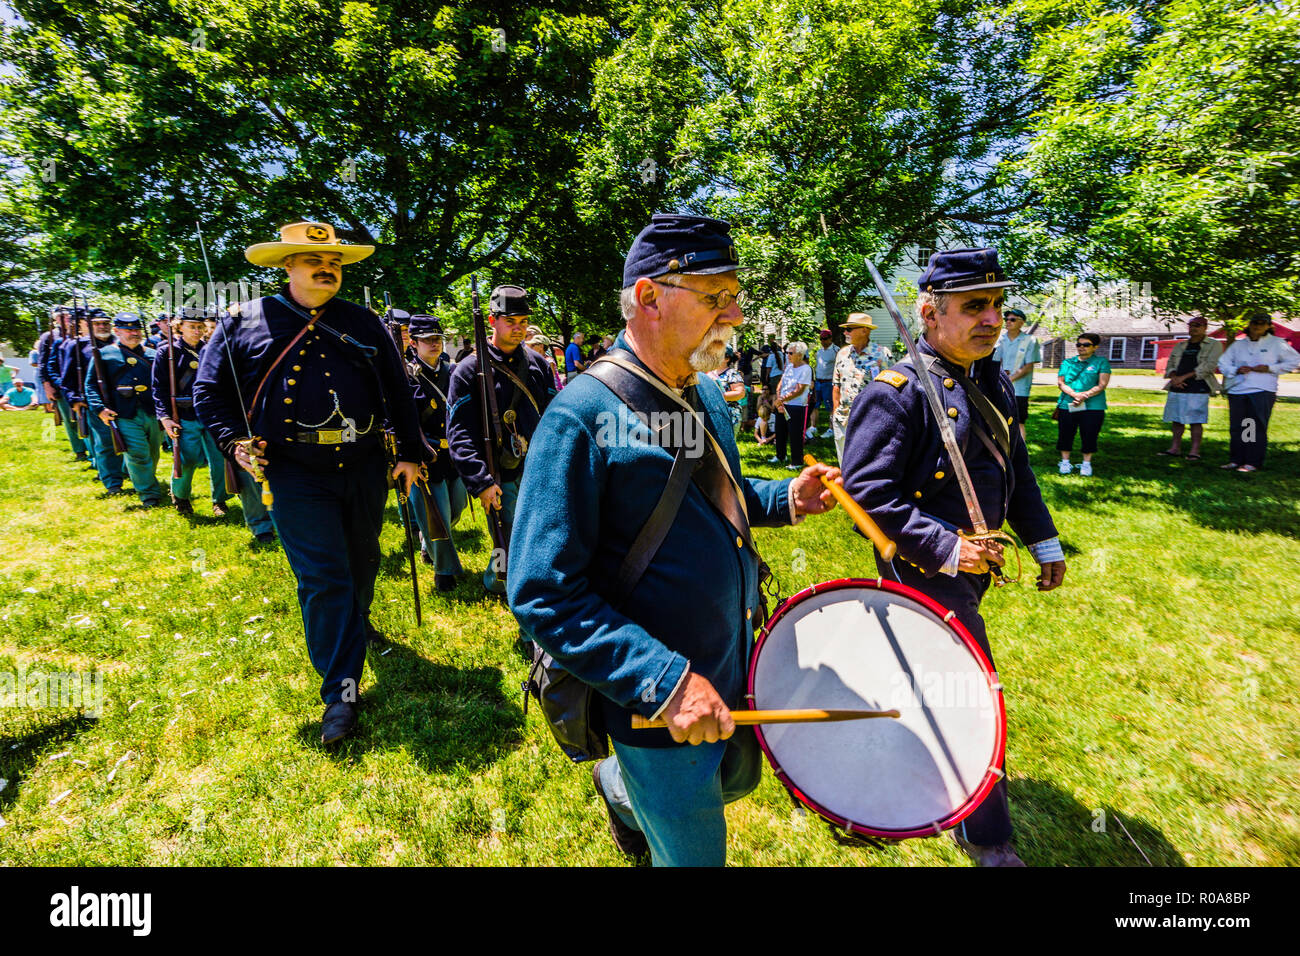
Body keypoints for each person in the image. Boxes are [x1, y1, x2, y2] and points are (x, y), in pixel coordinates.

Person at [508, 213, 840, 866]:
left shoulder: (706, 395)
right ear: (650, 298)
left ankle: (618, 788)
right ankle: (632, 778)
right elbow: (543, 590)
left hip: (733, 662)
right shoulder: (581, 417)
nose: (736, 315)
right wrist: (664, 682)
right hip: (656, 701)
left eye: (735, 297)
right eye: (717, 298)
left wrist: (784, 499)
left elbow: (714, 500)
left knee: (736, 781)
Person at [840, 246, 1065, 867]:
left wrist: (1042, 539)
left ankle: (882, 779)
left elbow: (1013, 467)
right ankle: (986, 834)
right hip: (922, 571)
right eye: (974, 306)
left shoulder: (990, 379)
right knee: (972, 691)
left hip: (977, 565)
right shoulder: (896, 390)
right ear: (929, 313)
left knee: (923, 685)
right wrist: (946, 546)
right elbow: (866, 493)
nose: (991, 318)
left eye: (996, 305)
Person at [193, 220, 431, 745]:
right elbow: (208, 393)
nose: (328, 268)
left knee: (363, 559)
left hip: (365, 463)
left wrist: (411, 454)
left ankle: (354, 625)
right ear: (287, 266)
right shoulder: (242, 322)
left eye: (336, 263)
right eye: (312, 260)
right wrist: (235, 440)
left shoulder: (365, 323)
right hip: (293, 472)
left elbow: (397, 390)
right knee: (324, 577)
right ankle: (340, 693)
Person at [446, 284, 556, 596]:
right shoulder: (468, 370)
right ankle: (514, 592)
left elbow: (554, 416)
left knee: (533, 537)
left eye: (523, 322)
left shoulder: (538, 366)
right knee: (509, 539)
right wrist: (480, 481)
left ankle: (499, 580)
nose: (519, 328)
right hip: (497, 473)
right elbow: (458, 432)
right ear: (492, 321)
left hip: (536, 469)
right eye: (511, 321)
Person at [405, 313, 468, 591]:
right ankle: (444, 571)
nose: (434, 344)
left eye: (437, 339)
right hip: (424, 456)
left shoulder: (452, 372)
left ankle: (425, 543)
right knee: (436, 516)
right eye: (428, 340)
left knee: (457, 507)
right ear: (413, 343)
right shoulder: (406, 376)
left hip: (453, 454)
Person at [84, 312, 165, 507]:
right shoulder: (103, 355)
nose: (133, 333)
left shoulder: (153, 354)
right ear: (117, 331)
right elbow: (91, 385)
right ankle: (149, 495)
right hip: (124, 413)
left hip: (152, 411)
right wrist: (100, 409)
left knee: (152, 453)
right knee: (137, 453)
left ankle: (146, 481)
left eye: (136, 329)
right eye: (128, 330)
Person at [1217, 313, 1300, 472]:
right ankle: (1236, 459)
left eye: (1262, 323)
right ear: (1249, 325)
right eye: (1255, 323)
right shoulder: (1238, 344)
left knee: (1253, 426)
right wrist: (1236, 369)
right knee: (1238, 427)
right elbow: (1223, 363)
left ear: (1269, 326)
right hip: (1238, 390)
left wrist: (1270, 368)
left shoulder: (1277, 343)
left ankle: (1252, 462)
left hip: (1262, 390)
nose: (1258, 326)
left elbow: (1295, 360)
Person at [1159, 317, 1223, 460]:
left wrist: (1185, 377)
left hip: (1198, 385)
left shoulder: (1213, 345)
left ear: (1205, 327)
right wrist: (1174, 377)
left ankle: (1194, 451)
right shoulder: (1181, 345)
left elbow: (1209, 366)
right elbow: (1170, 364)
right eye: (1191, 325)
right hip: (1177, 386)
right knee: (1176, 418)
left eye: (1198, 326)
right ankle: (1174, 448)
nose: (1194, 328)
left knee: (1196, 419)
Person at [831, 313, 891, 463]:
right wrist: (835, 412)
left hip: (868, 419)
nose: (845, 333)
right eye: (845, 329)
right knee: (844, 462)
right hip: (842, 419)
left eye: (849, 329)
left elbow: (890, 389)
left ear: (865, 330)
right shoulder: (842, 354)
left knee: (865, 463)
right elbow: (836, 385)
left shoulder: (882, 354)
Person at [1055, 332, 1110, 476]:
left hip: (1093, 406)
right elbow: (1061, 383)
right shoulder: (1068, 362)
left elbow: (1102, 384)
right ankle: (1065, 462)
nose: (1081, 347)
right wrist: (1075, 395)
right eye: (1079, 344)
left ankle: (1086, 464)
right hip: (1069, 403)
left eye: (1086, 345)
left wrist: (1085, 395)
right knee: (1066, 433)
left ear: (1095, 347)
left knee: (1089, 434)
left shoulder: (1101, 362)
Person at [991, 307, 1041, 440]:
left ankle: (1020, 453)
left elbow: (1028, 367)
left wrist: (1009, 379)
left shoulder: (1030, 340)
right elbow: (994, 362)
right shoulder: (999, 339)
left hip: (1019, 389)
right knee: (999, 419)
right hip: (999, 387)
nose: (1008, 322)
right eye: (1006, 319)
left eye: (1012, 319)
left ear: (1021, 322)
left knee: (1019, 422)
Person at [770, 341, 812, 470]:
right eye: (787, 352)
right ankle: (780, 455)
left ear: (799, 354)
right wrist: (778, 399)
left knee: (795, 434)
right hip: (783, 404)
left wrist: (782, 399)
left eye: (790, 353)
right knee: (780, 430)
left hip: (797, 406)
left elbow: (799, 389)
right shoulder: (789, 367)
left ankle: (797, 461)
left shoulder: (806, 369)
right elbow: (781, 383)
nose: (787, 355)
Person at [810, 328, 838, 439]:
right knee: (814, 405)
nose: (823, 341)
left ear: (830, 338)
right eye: (821, 339)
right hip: (818, 381)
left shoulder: (836, 350)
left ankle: (831, 429)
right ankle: (813, 427)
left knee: (830, 406)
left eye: (825, 338)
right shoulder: (819, 351)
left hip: (829, 382)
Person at [525, 325, 564, 392]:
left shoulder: (548, 361)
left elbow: (549, 380)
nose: (530, 347)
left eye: (533, 345)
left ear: (541, 346)